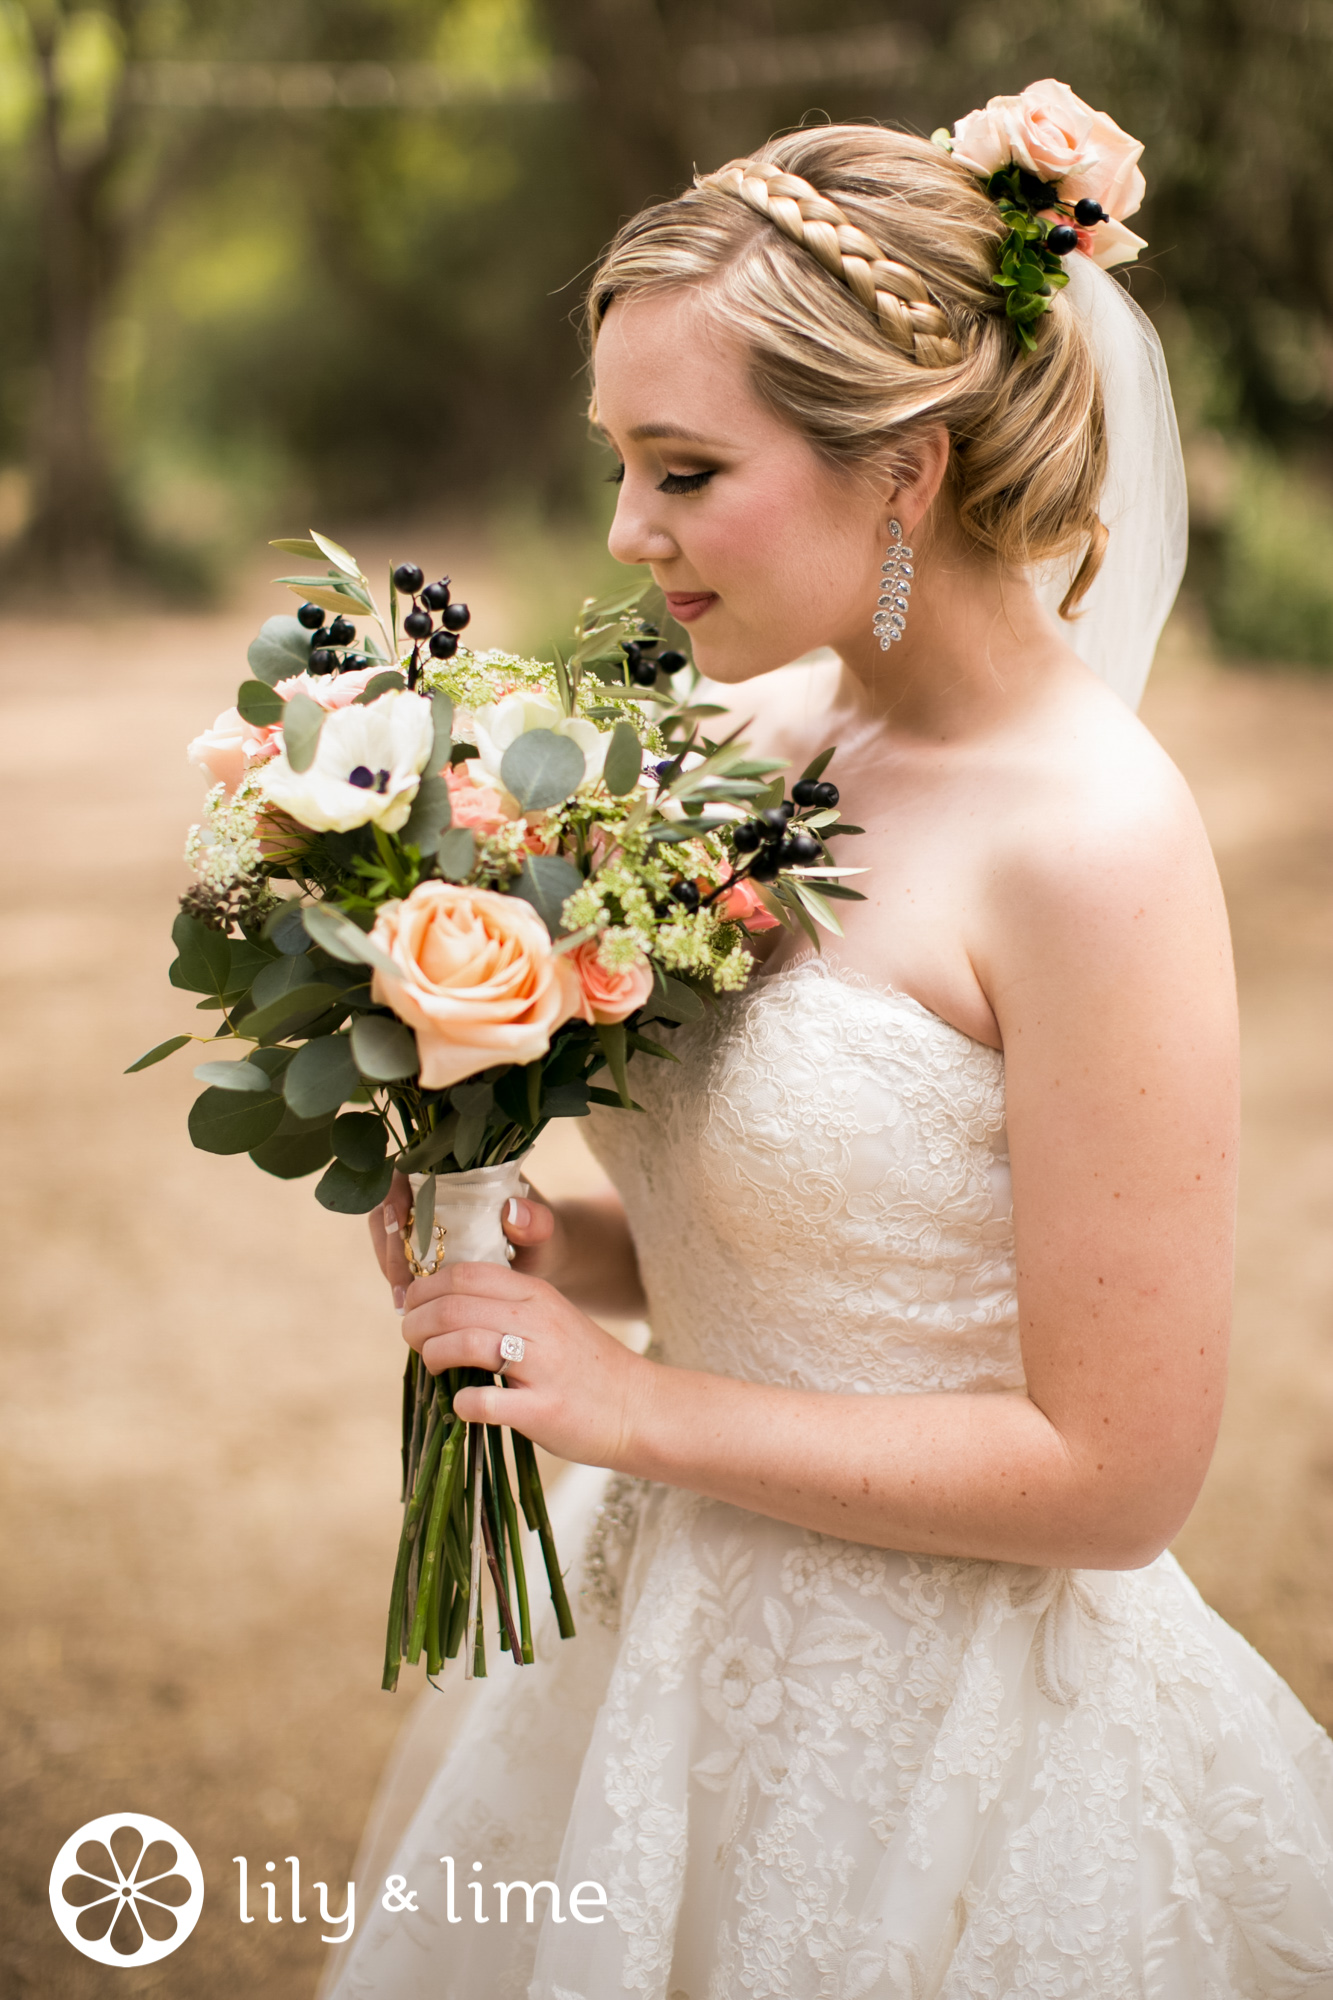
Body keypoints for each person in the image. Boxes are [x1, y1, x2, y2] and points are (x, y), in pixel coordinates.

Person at [325, 106, 1333, 2000]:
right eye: (620, 466)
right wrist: (581, 1261)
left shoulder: (1090, 844)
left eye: (685, 471)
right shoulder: (764, 738)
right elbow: (831, 1216)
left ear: (905, 467)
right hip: (664, 1649)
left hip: (949, 1734)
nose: (628, 537)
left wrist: (625, 1412)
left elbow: (1116, 1475)